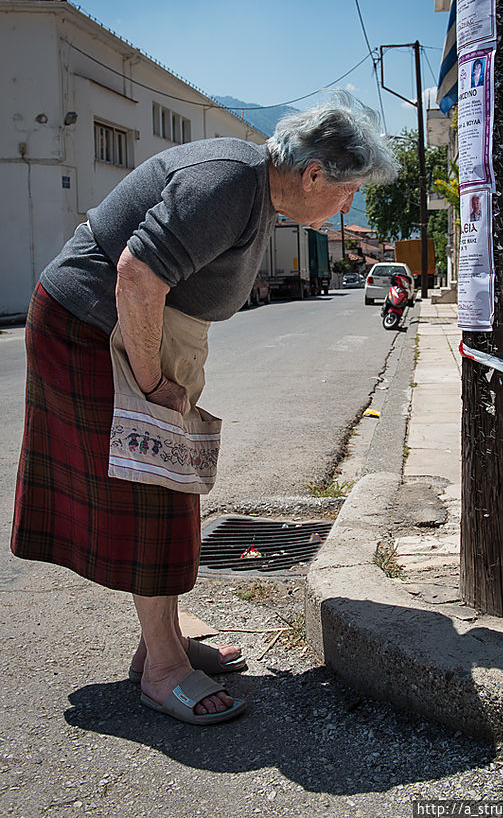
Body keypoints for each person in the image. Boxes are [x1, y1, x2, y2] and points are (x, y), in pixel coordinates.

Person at [10, 91, 397, 726]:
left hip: (131, 328)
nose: (346, 204)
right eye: (347, 190)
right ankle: (162, 668)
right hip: (92, 327)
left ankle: (162, 643)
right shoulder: (226, 182)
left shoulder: (261, 189)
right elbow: (136, 275)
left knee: (170, 486)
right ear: (313, 174)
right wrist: (151, 384)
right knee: (153, 492)